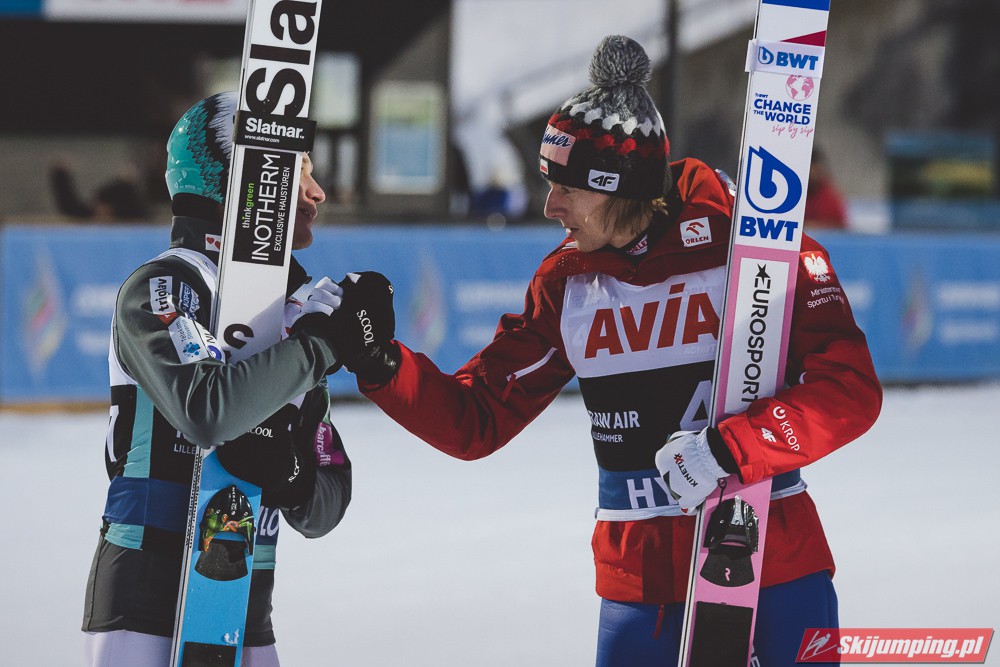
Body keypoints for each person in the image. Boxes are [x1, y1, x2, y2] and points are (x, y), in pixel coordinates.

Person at [330, 36, 882, 665]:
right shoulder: (565, 283)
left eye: (566, 187)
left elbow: (850, 391)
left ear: (617, 187)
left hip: (773, 563)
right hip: (639, 587)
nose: (550, 206)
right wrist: (381, 363)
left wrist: (732, 448)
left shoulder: (755, 245)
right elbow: (475, 417)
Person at [81, 91, 367, 666]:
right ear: (243, 178)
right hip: (142, 608)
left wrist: (291, 477)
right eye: (299, 171)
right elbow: (206, 412)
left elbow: (328, 498)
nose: (317, 192)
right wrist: (321, 346)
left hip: (245, 614)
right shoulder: (165, 285)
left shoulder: (289, 312)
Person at [804, 147, 849, 229]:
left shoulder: (829, 197)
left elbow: (841, 227)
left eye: (817, 169)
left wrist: (814, 226)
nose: (814, 174)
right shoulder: (794, 195)